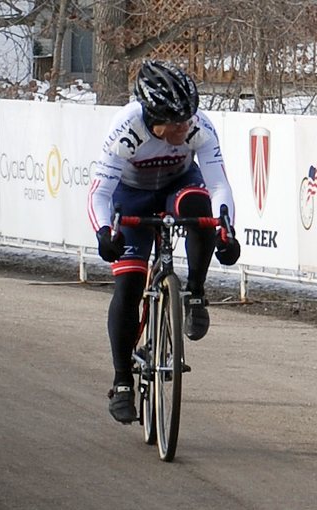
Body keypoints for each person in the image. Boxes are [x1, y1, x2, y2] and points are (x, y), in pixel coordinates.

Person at [87, 60, 240, 424]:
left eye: (190, 117)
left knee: (198, 205)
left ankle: (196, 293)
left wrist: (226, 229)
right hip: (132, 196)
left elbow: (218, 184)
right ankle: (122, 381)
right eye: (177, 122)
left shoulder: (198, 126)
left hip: (176, 186)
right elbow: (99, 191)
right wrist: (103, 232)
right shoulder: (127, 129)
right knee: (128, 284)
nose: (186, 126)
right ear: (155, 118)